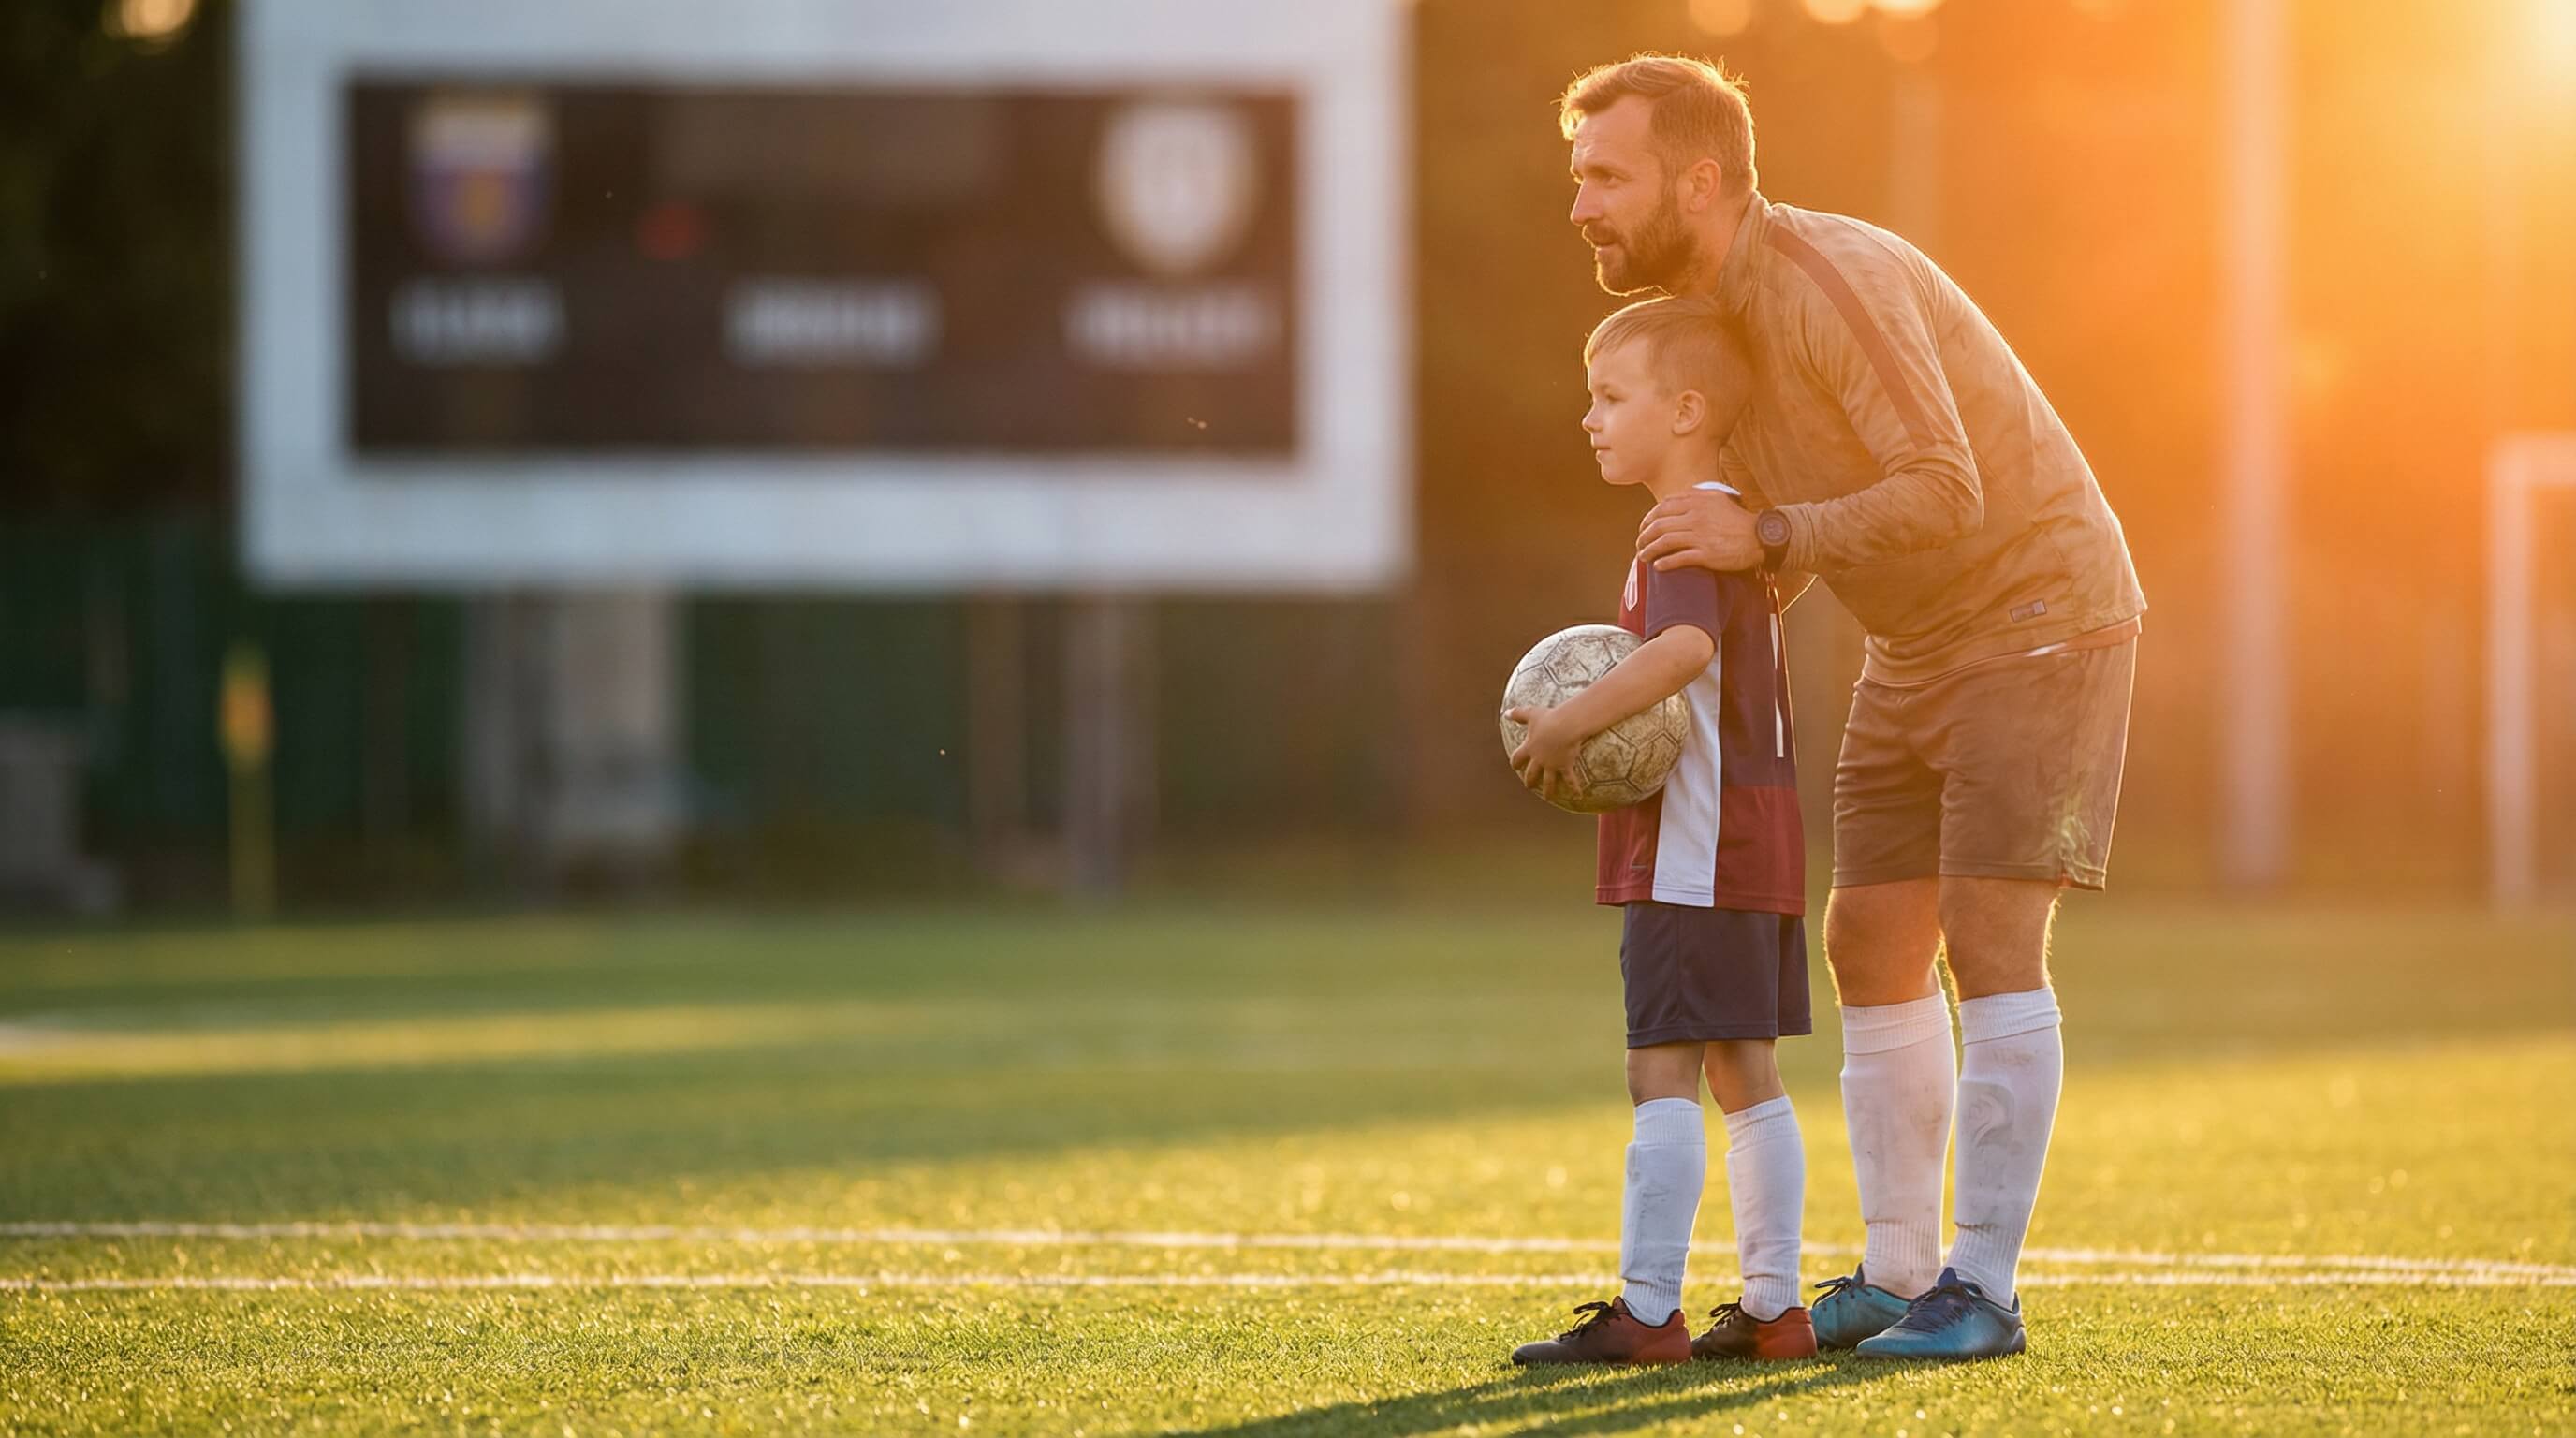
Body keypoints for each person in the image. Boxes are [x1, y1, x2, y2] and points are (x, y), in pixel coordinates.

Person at [1557, 54, 2146, 1362]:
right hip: (1915, 641)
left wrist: (1766, 534)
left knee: (1987, 931)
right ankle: (1895, 1276)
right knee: (1870, 938)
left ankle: (1982, 1290)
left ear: (1697, 182)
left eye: (1606, 176)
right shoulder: (1709, 332)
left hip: (2041, 610)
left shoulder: (1832, 276)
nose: (1582, 206)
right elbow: (1787, 531)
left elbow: (1943, 486)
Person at [1503, 296, 1816, 1366]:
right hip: (1754, 843)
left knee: (1661, 1075)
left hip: (1695, 846)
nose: (1589, 418)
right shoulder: (1735, 523)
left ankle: (1646, 1314)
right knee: (1746, 1073)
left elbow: (1681, 653)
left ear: (1684, 410)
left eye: (1610, 396)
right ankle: (1775, 1311)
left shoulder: (1684, 526)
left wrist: (1567, 725)